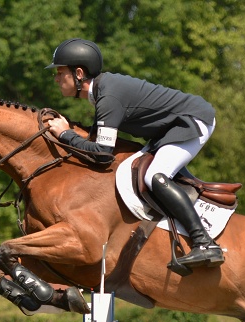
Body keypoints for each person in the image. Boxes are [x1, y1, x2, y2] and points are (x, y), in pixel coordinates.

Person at [45, 38, 224, 269]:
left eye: (60, 72)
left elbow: (102, 153)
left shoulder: (108, 98)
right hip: (170, 129)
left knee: (154, 176)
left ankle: (204, 243)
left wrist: (65, 135)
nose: (56, 78)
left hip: (192, 121)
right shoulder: (103, 91)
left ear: (79, 73)